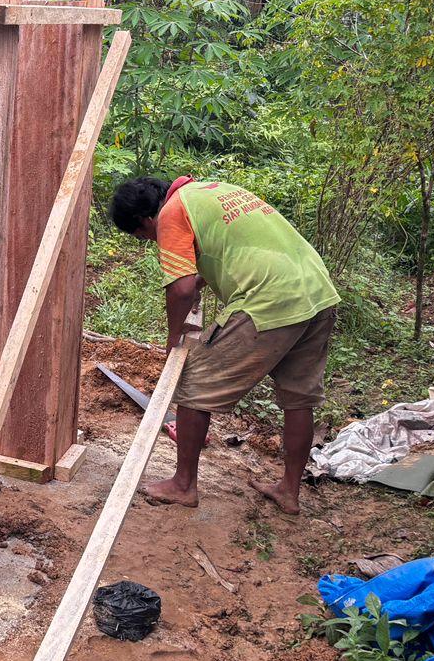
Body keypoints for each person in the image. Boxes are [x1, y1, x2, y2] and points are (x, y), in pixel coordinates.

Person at [109, 176, 340, 515]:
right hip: (317, 293)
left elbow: (181, 290)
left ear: (145, 220)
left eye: (143, 236)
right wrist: (203, 277)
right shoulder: (215, 192)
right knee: (299, 397)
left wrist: (174, 337)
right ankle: (289, 491)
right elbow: (237, 246)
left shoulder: (172, 213)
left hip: (270, 299)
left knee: (193, 378)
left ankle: (183, 485)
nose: (150, 240)